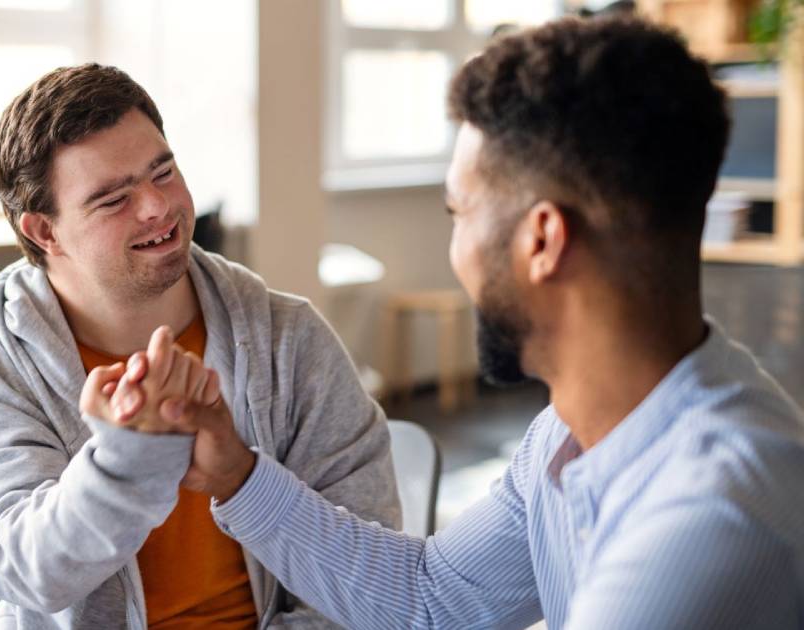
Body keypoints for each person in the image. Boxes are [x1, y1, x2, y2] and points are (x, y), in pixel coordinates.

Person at [89, 16, 804, 630]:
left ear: (542, 240)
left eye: (458, 214)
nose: (453, 249)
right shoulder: (572, 430)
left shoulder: (712, 518)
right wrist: (238, 474)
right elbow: (436, 600)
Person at [0, 62, 400, 629]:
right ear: (44, 231)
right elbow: (27, 572)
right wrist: (127, 460)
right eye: (113, 199)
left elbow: (367, 570)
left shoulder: (291, 338)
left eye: (163, 172)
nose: (157, 207)